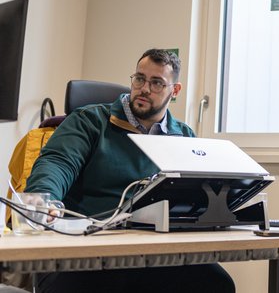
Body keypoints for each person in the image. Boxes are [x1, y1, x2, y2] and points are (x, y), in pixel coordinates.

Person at [25, 49, 235, 293]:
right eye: (139, 79)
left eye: (156, 83)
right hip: (89, 247)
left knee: (216, 284)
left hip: (158, 251)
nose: (144, 88)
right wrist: (44, 198)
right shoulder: (89, 120)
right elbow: (58, 162)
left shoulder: (184, 136)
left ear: (174, 91)